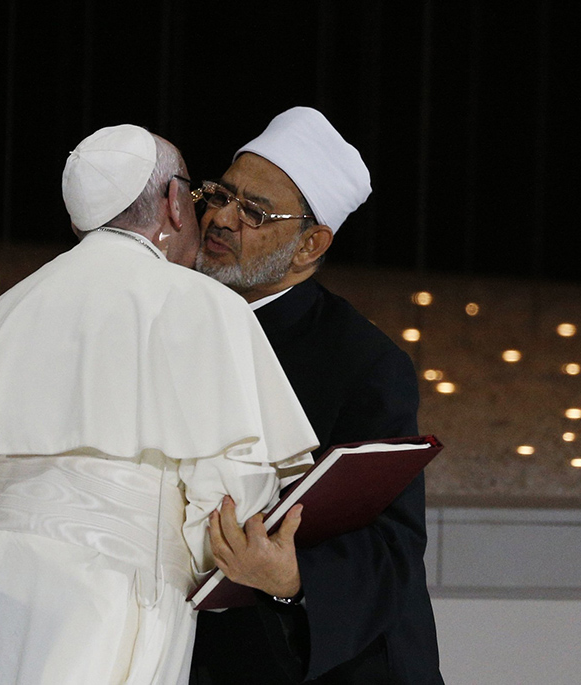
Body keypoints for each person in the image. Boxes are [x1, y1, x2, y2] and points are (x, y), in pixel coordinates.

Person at [0, 124, 317, 685]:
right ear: (171, 205)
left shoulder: (2, 311)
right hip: (102, 595)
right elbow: (229, 512)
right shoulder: (204, 306)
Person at [190, 107, 444, 684]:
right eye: (221, 196)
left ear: (311, 246)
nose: (222, 219)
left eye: (253, 211)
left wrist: (291, 577)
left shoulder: (363, 364)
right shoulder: (176, 314)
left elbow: (393, 550)